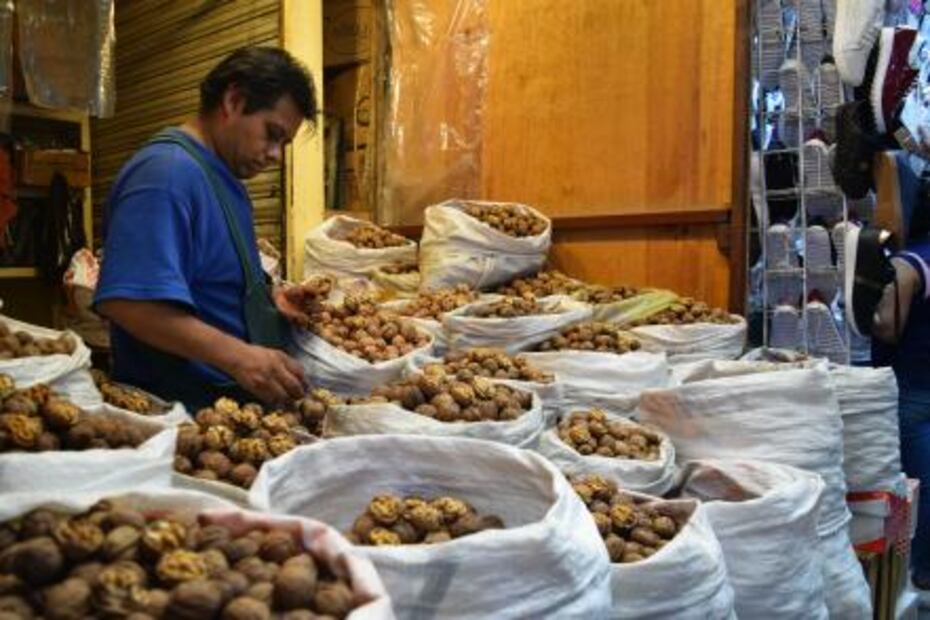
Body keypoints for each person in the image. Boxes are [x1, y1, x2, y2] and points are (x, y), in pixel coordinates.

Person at [94, 46, 318, 409]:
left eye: (284, 143)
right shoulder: (166, 175)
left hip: (228, 407)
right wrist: (239, 357)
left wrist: (267, 299)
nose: (277, 155)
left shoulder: (222, 177)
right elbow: (129, 302)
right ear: (233, 100)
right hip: (182, 415)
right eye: (272, 134)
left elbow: (211, 278)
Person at [846, 212, 930, 596]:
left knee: (913, 484)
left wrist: (863, 309)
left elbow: (887, 325)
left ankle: (915, 566)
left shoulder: (913, 260)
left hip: (909, 383)